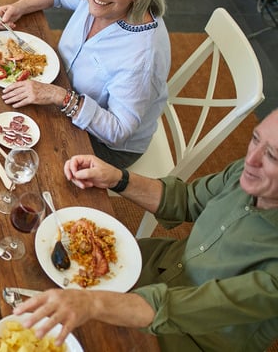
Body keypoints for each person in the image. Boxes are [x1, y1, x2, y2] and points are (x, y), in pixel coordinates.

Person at [14, 108, 278, 351]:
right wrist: (117, 178)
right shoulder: (244, 172)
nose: (251, 159)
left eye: (273, 156)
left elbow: (189, 307)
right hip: (150, 266)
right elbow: (185, 200)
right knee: (24, 281)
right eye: (255, 139)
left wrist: (92, 303)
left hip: (186, 337)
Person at [0, 0, 170, 168]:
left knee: (19, 160)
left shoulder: (141, 57)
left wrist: (58, 96)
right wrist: (18, 7)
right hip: (61, 91)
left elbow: (118, 131)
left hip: (103, 144)